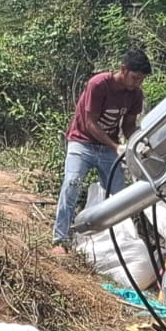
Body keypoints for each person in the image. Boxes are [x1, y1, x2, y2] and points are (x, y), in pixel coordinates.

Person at [51, 50, 152, 255]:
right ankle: (60, 239)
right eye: (135, 78)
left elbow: (129, 125)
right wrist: (116, 147)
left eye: (141, 80)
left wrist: (135, 142)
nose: (137, 83)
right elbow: (89, 124)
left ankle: (119, 244)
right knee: (72, 184)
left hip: (108, 148)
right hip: (82, 143)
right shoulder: (99, 84)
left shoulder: (135, 95)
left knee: (119, 197)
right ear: (123, 70)